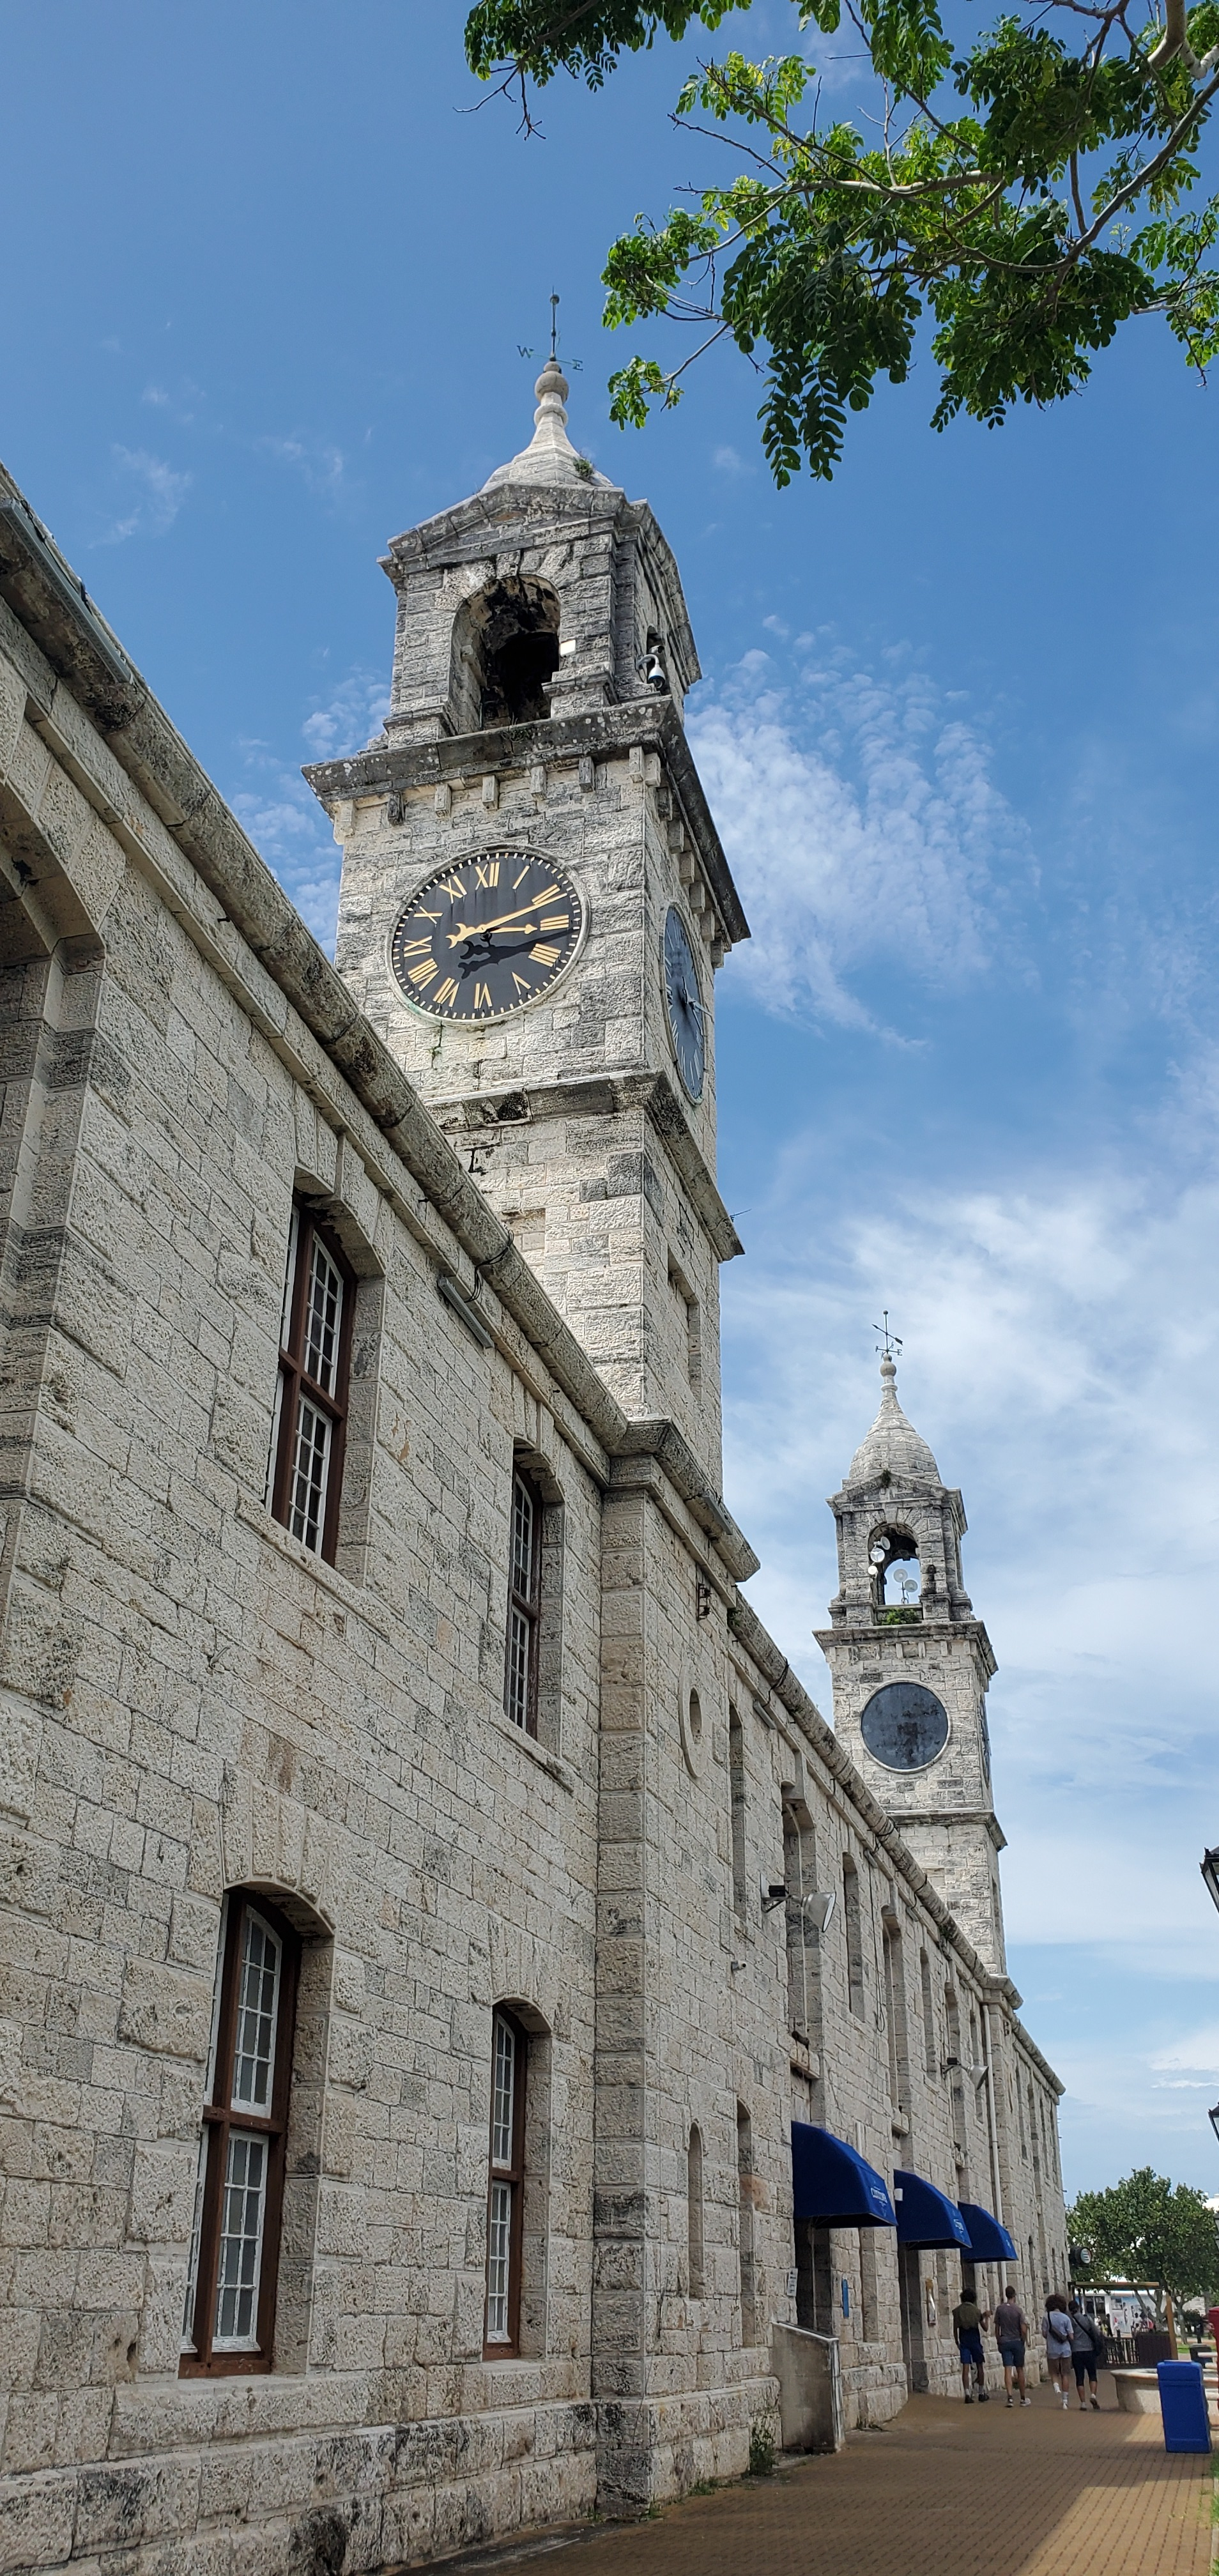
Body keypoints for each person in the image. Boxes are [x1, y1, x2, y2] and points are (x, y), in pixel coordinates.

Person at [992, 2283, 1032, 2406]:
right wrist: (1023, 2341)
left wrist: (999, 2340)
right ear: (1014, 2296)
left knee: (1008, 2369)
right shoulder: (1018, 2310)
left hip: (1005, 2341)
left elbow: (997, 2327)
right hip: (1017, 2342)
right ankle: (1023, 2398)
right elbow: (1024, 2329)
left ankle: (1010, 2397)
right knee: (1020, 2369)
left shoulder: (1000, 2309)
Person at [953, 2285, 990, 2402]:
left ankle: (967, 2394)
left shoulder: (957, 2311)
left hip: (964, 2338)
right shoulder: (976, 2311)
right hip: (975, 2339)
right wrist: (987, 2317)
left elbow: (955, 2328)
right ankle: (981, 2392)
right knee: (980, 2365)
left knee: (966, 2367)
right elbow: (985, 2328)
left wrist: (957, 2341)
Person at [1069, 2300, 1103, 2409]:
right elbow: (1096, 2332)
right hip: (1089, 2350)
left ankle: (1083, 2403)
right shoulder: (1087, 2319)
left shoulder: (1070, 2321)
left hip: (1076, 2351)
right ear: (1079, 2308)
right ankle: (1093, 2394)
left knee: (1080, 2377)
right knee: (1092, 2374)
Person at [1042, 2292, 1075, 2407]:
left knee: (1054, 2372)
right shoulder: (1066, 2318)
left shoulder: (1046, 2317)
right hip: (1065, 2350)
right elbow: (1071, 2336)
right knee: (1065, 2374)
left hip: (1052, 2349)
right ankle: (1065, 2401)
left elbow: (1045, 2333)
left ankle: (1056, 2387)